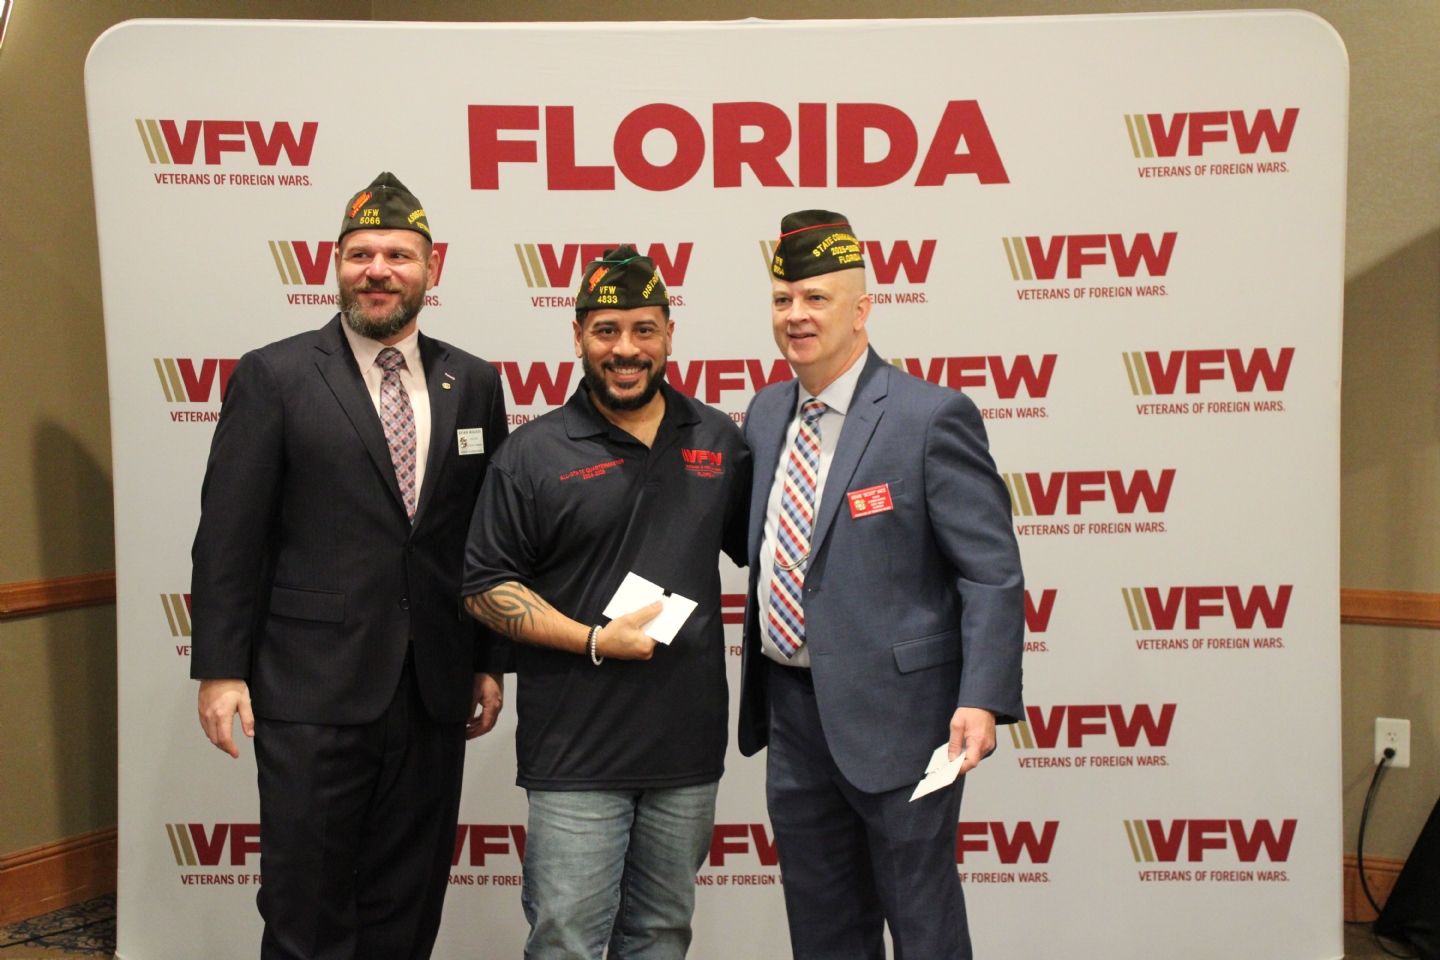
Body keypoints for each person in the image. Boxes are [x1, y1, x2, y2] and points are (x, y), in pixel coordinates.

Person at [189, 172, 509, 960]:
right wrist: (221, 670)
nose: (378, 270)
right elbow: (228, 535)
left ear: (432, 268)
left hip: (432, 691)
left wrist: (486, 661)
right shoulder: (276, 375)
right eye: (361, 254)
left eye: (398, 255)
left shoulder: (473, 381)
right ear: (335, 264)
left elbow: (482, 538)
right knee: (307, 907)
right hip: (311, 691)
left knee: (408, 902)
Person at [737, 210, 1025, 960]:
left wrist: (982, 697)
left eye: (816, 298)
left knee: (923, 924)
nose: (796, 315)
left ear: (861, 309)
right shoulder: (764, 414)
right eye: (782, 299)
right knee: (822, 927)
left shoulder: (930, 416)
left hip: (906, 722)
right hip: (792, 714)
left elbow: (991, 571)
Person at [461, 246, 751, 960]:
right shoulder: (533, 453)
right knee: (566, 942)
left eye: (644, 329)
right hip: (576, 756)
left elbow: (772, 553)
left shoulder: (718, 439)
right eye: (607, 331)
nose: (626, 349)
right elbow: (485, 587)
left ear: (669, 335)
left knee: (662, 937)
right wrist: (593, 640)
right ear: (578, 336)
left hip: (686, 750)